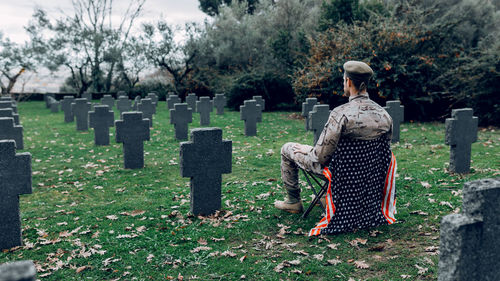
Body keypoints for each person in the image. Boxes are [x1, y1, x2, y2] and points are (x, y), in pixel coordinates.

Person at [275, 61, 395, 226]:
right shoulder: (384, 115)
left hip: (340, 175)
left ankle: (293, 201)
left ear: (348, 82)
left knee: (287, 148)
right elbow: (383, 153)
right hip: (368, 176)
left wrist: (306, 150)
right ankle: (326, 198)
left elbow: (320, 157)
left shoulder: (340, 114)